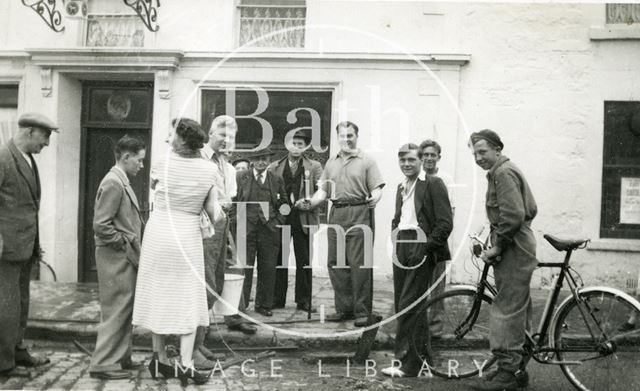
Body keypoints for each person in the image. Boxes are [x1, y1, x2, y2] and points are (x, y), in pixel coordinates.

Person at [132, 118, 222, 385]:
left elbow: (155, 191)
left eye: (172, 133)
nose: (169, 136)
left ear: (181, 139)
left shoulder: (161, 163)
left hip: (159, 232)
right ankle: (185, 364)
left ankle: (159, 360)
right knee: (187, 298)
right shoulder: (209, 170)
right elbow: (212, 213)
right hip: (185, 234)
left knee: (159, 293)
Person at [468, 129, 537, 391]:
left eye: (483, 152)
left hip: (514, 246)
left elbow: (513, 216)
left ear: (498, 149)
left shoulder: (502, 173)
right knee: (516, 307)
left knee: (507, 309)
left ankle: (508, 374)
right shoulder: (501, 171)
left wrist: (496, 248)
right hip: (516, 242)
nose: (478, 157)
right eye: (474, 153)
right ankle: (514, 369)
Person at [298, 121, 384, 327]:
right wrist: (311, 202)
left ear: (356, 136)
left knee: (359, 264)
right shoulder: (331, 163)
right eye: (342, 136)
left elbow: (377, 186)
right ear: (338, 138)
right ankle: (344, 309)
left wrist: (376, 196)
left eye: (350, 135)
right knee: (336, 263)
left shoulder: (367, 161)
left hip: (359, 212)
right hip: (336, 213)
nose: (346, 139)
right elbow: (324, 191)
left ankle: (362, 312)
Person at [381, 143, 453, 378]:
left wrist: (425, 247)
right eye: (402, 160)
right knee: (412, 306)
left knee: (408, 305)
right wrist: (394, 241)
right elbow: (398, 218)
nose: (406, 164)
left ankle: (406, 364)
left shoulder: (433, 183)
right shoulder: (402, 186)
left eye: (411, 159)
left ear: (421, 160)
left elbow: (445, 222)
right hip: (402, 244)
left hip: (420, 245)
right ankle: (423, 362)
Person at [194, 116, 256, 372]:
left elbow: (226, 196)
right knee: (201, 282)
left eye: (231, 137)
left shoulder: (225, 163)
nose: (227, 141)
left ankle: (198, 341)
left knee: (216, 280)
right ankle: (189, 346)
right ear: (210, 133)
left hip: (221, 224)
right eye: (222, 135)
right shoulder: (198, 159)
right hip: (202, 225)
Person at [0, 113, 56, 378]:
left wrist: (36, 243)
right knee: (6, 306)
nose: (46, 144)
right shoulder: (3, 157)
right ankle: (4, 364)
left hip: (24, 247)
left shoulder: (28, 160)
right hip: (5, 249)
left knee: (21, 303)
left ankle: (18, 350)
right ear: (30, 131)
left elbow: (29, 207)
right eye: (44, 137)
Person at [89, 136, 146, 380]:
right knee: (116, 309)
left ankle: (121, 358)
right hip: (115, 257)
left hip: (121, 257)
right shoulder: (113, 182)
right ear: (126, 157)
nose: (141, 165)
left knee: (124, 307)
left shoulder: (120, 180)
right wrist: (123, 244)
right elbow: (101, 225)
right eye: (139, 160)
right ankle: (103, 363)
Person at [269, 130, 323, 312]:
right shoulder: (274, 166)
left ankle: (304, 300)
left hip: (304, 217)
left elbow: (322, 190)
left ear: (306, 146)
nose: (296, 147)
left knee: (304, 259)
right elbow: (269, 192)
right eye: (293, 143)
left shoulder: (314, 166)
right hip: (281, 218)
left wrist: (310, 201)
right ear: (286, 145)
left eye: (301, 144)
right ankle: (277, 299)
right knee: (279, 258)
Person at [231, 147, 288, 317]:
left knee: (268, 267)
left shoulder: (276, 179)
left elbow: (285, 205)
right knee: (244, 268)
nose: (261, 161)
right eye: (258, 158)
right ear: (252, 161)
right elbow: (232, 200)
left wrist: (277, 222)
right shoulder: (241, 176)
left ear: (270, 160)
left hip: (268, 230)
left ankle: (264, 305)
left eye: (265, 158)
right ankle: (240, 305)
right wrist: (236, 221)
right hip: (245, 229)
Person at [418, 139, 454, 336]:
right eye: (426, 155)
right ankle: (420, 324)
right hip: (418, 239)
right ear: (420, 157)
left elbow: (450, 211)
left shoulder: (445, 179)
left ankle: (435, 326)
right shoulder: (416, 177)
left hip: (438, 239)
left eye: (433, 155)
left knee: (437, 285)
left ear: (439, 157)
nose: (429, 158)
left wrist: (441, 237)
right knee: (418, 285)